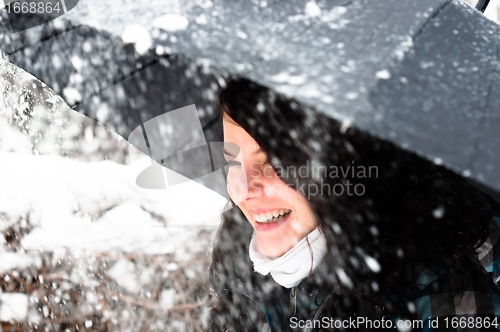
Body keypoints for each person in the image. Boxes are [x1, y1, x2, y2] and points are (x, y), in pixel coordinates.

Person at [206, 77, 500, 332]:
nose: (241, 190)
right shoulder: (238, 267)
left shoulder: (437, 294)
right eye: (232, 161)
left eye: (271, 160)